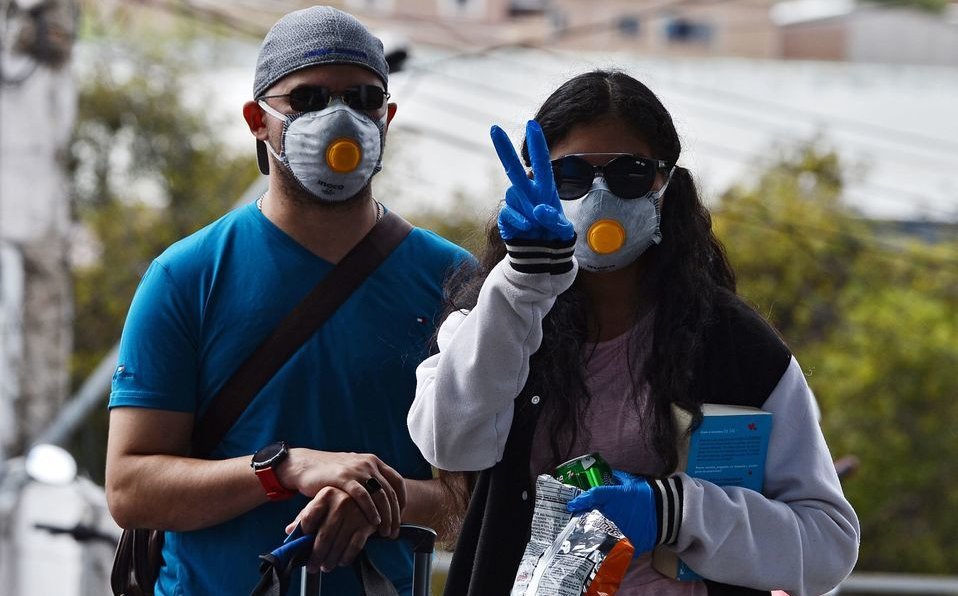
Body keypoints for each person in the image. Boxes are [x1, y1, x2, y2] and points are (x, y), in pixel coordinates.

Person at [407, 70, 860, 596]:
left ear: (666, 185)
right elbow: (450, 445)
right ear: (535, 184)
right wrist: (523, 283)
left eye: (630, 173)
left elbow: (828, 544)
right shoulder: (492, 316)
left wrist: (675, 512)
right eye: (570, 174)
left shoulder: (733, 344)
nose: (600, 195)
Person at [104, 6, 471, 595]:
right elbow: (130, 488)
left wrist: (378, 496)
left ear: (388, 117)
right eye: (308, 99)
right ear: (258, 120)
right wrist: (284, 470)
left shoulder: (453, 281)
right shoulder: (186, 275)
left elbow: (471, 500)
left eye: (364, 99)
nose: (341, 119)